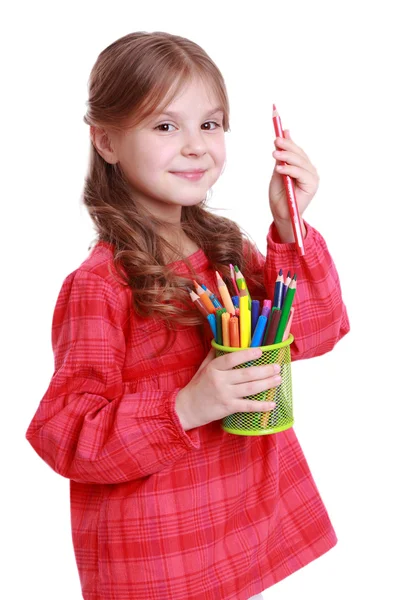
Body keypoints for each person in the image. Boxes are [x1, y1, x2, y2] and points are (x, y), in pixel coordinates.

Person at [25, 31, 350, 600]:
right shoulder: (99, 286)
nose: (197, 145)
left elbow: (317, 332)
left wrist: (288, 225)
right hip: (161, 556)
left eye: (212, 123)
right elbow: (65, 435)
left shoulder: (225, 252)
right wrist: (186, 406)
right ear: (105, 140)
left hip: (242, 528)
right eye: (165, 125)